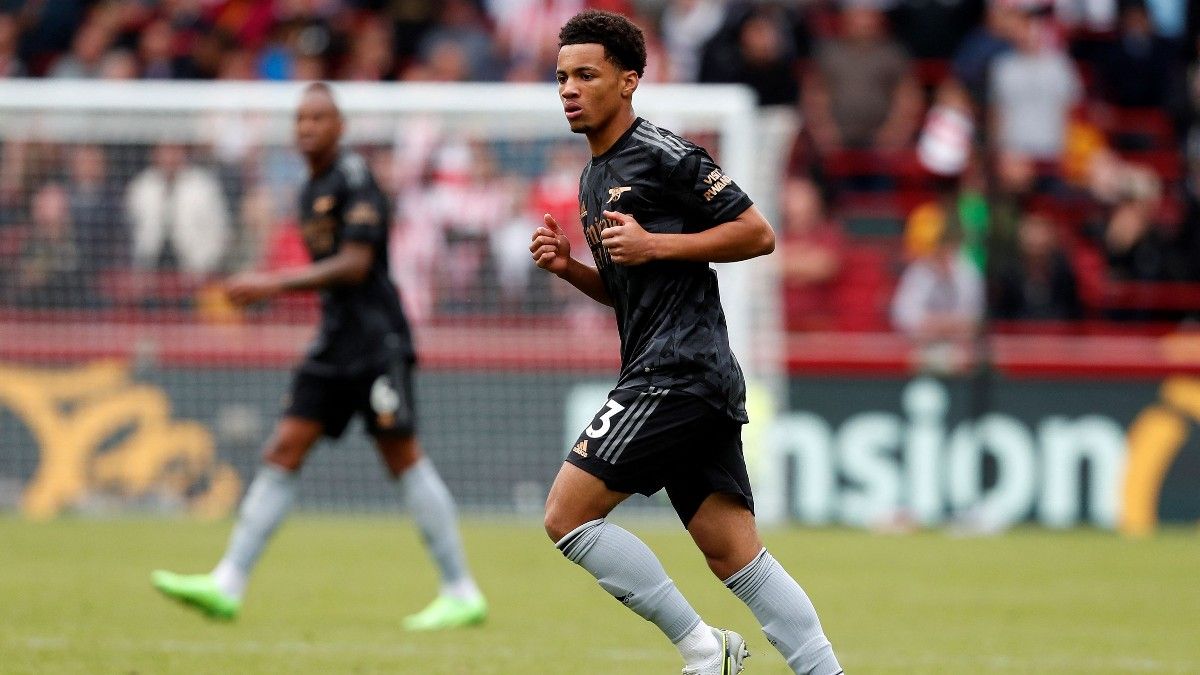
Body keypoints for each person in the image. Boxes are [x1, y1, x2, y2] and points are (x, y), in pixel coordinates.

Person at [530, 11, 843, 675]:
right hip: (680, 370)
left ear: (629, 81)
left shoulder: (664, 154)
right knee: (736, 555)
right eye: (562, 77)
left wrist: (656, 242)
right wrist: (571, 269)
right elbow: (633, 288)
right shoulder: (594, 176)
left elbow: (758, 232)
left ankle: (706, 649)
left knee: (566, 514)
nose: (569, 89)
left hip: (677, 370)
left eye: (586, 74)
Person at [151, 82, 488, 632]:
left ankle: (461, 590)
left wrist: (272, 283)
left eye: (317, 118)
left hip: (377, 342)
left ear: (339, 127)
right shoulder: (309, 189)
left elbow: (355, 264)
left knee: (401, 456)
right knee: (285, 445)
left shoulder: (354, 179)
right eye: (300, 119)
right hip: (334, 342)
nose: (306, 127)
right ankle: (227, 582)